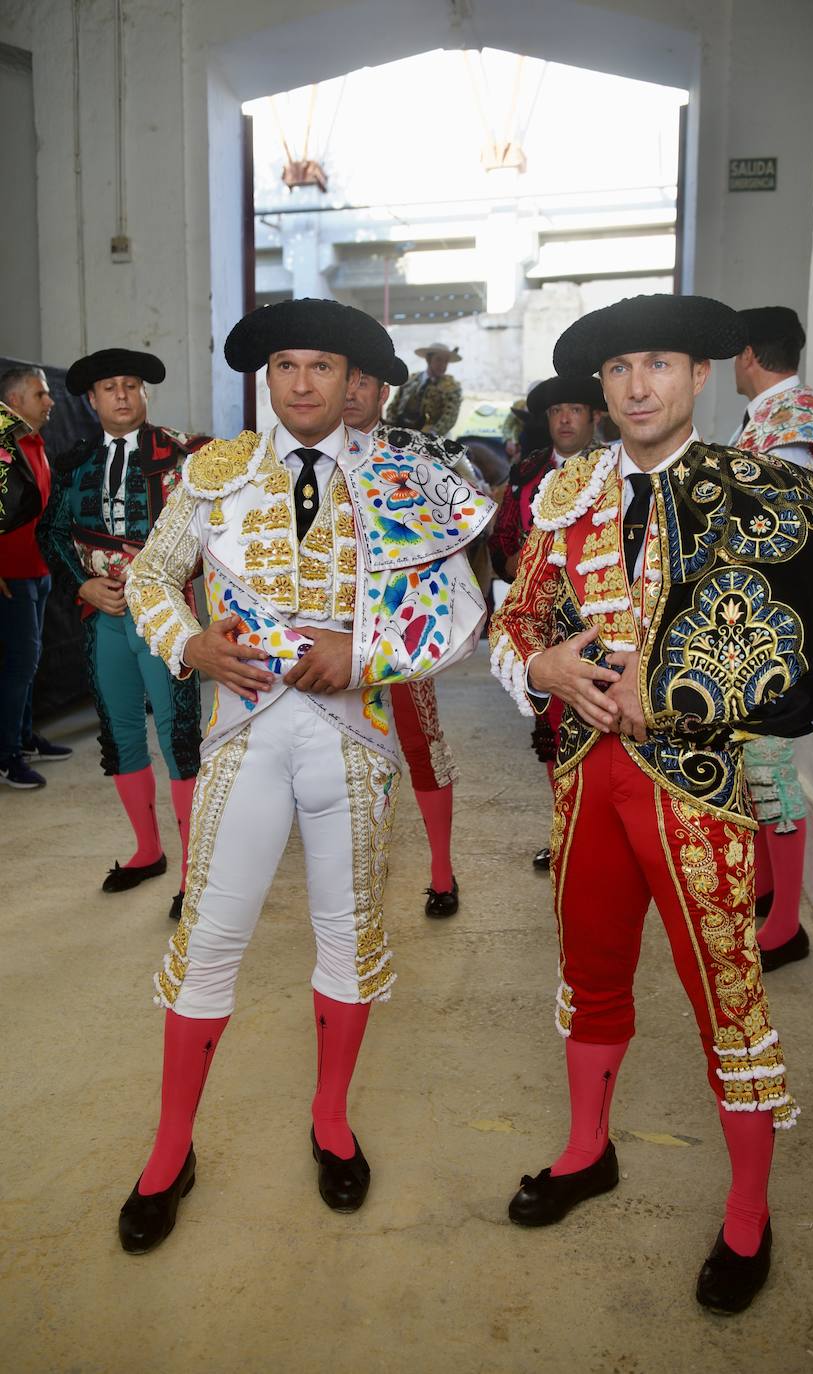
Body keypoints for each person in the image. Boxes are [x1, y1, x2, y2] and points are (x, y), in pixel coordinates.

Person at [489, 294, 813, 1313]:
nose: (635, 385)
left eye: (656, 363)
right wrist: (545, 662)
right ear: (599, 390)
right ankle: (585, 1150)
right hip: (582, 782)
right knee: (590, 967)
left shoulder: (757, 488)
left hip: (699, 791)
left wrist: (690, 695)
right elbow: (513, 621)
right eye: (616, 371)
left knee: (726, 997)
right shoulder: (566, 493)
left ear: (701, 374)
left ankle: (746, 1216)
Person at [118, 298, 491, 1253]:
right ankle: (169, 1150)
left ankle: (331, 1119)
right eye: (285, 365)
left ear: (348, 377)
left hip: (353, 737)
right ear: (266, 378)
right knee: (209, 935)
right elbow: (151, 578)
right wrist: (193, 642)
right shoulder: (216, 474)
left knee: (349, 932)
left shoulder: (407, 476)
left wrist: (363, 649)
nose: (301, 382)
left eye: (321, 365)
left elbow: (461, 603)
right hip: (244, 731)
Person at [39, 351, 209, 919]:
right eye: (110, 388)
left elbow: (215, 531)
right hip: (104, 616)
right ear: (91, 401)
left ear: (145, 394)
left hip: (165, 618)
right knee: (120, 732)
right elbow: (53, 533)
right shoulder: (74, 463)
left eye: (130, 386)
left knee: (180, 736)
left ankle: (193, 872)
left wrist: (175, 577)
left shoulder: (186, 454)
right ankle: (148, 850)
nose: (121, 396)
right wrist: (82, 586)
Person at [732, 305, 813, 971]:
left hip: (783, 613)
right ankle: (766, 895)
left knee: (768, 761)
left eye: (735, 353)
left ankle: (785, 925)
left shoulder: (789, 425)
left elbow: (776, 525)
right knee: (753, 756)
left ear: (750, 355)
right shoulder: (784, 417)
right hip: (766, 607)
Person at [344, 363, 474, 918]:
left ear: (383, 391)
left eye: (362, 381)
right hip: (325, 628)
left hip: (401, 623)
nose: (350, 391)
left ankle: (441, 871)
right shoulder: (298, 457)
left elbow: (468, 522)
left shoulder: (425, 453)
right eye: (341, 378)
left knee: (420, 742)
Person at [488, 374, 606, 869]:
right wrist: (524, 564)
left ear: (594, 416)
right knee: (551, 737)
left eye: (575, 409)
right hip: (540, 624)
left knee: (601, 730)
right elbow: (505, 541)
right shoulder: (528, 470)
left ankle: (597, 836)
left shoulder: (613, 469)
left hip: (597, 623)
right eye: (557, 410)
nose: (564, 419)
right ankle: (566, 832)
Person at [0, 367, 73, 788]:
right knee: (19, 665)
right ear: (14, 401)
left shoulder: (34, 442)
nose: (50, 401)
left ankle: (24, 738)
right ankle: (7, 754)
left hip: (38, 571)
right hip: (12, 575)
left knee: (29, 662)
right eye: (40, 394)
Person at [386, 342, 462, 437]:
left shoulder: (452, 387)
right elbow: (394, 406)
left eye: (446, 361)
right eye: (439, 359)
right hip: (401, 430)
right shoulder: (411, 379)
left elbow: (450, 417)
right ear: (428, 359)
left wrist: (430, 435)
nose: (442, 365)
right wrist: (391, 427)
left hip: (432, 437)